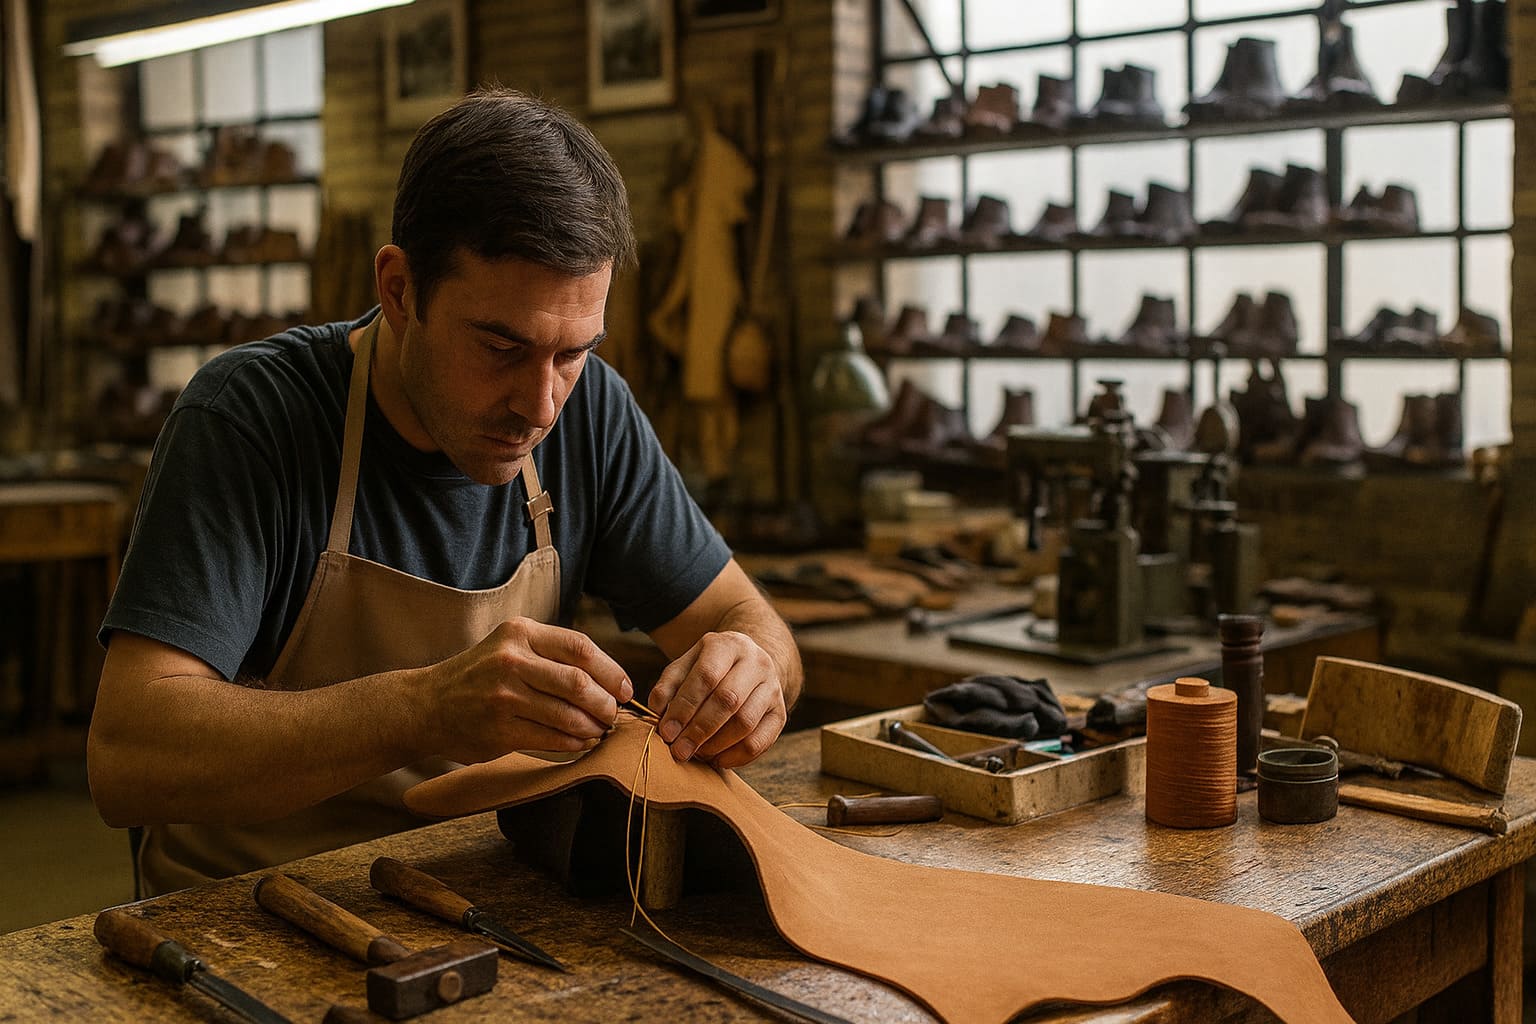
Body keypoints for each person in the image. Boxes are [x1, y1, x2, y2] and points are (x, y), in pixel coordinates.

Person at [87, 87, 802, 896]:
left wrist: (752, 671)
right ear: (399, 290)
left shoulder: (591, 410)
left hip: (479, 897)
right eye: (501, 346)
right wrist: (421, 709)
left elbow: (754, 625)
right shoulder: (251, 418)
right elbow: (128, 756)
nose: (541, 406)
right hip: (247, 913)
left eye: (572, 352)